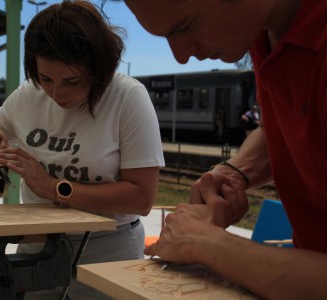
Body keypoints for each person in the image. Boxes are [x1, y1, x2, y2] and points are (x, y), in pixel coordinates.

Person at [120, 0, 327, 299]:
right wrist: (233, 173)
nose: (180, 56)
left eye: (184, 26)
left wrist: (208, 245)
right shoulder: (261, 32)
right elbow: (282, 125)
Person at [0, 1, 164, 299]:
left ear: (99, 68)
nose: (56, 93)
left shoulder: (127, 97)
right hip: (38, 244)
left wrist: (53, 188)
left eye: (71, 81)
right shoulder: (29, 93)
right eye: (45, 79)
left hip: (108, 249)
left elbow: (141, 198)